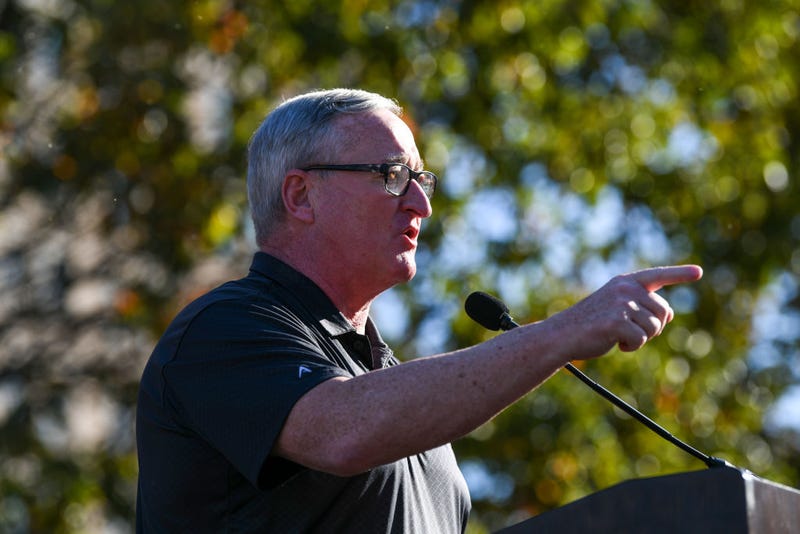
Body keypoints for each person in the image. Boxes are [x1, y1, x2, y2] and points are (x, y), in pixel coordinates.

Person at [135, 88, 703, 532]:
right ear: (301, 196)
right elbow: (343, 431)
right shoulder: (223, 328)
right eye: (391, 175)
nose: (422, 204)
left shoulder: (386, 377)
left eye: (421, 178)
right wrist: (560, 334)